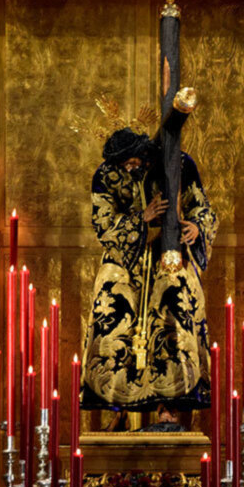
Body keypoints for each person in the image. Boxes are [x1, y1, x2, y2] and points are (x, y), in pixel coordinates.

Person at [81, 127, 218, 414]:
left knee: (174, 315)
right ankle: (116, 407)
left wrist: (196, 227)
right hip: (126, 262)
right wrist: (141, 219)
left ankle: (168, 404)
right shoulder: (105, 175)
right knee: (112, 317)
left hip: (168, 256)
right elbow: (103, 225)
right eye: (123, 165)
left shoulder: (180, 164)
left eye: (132, 162)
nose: (128, 169)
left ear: (143, 153)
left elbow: (201, 206)